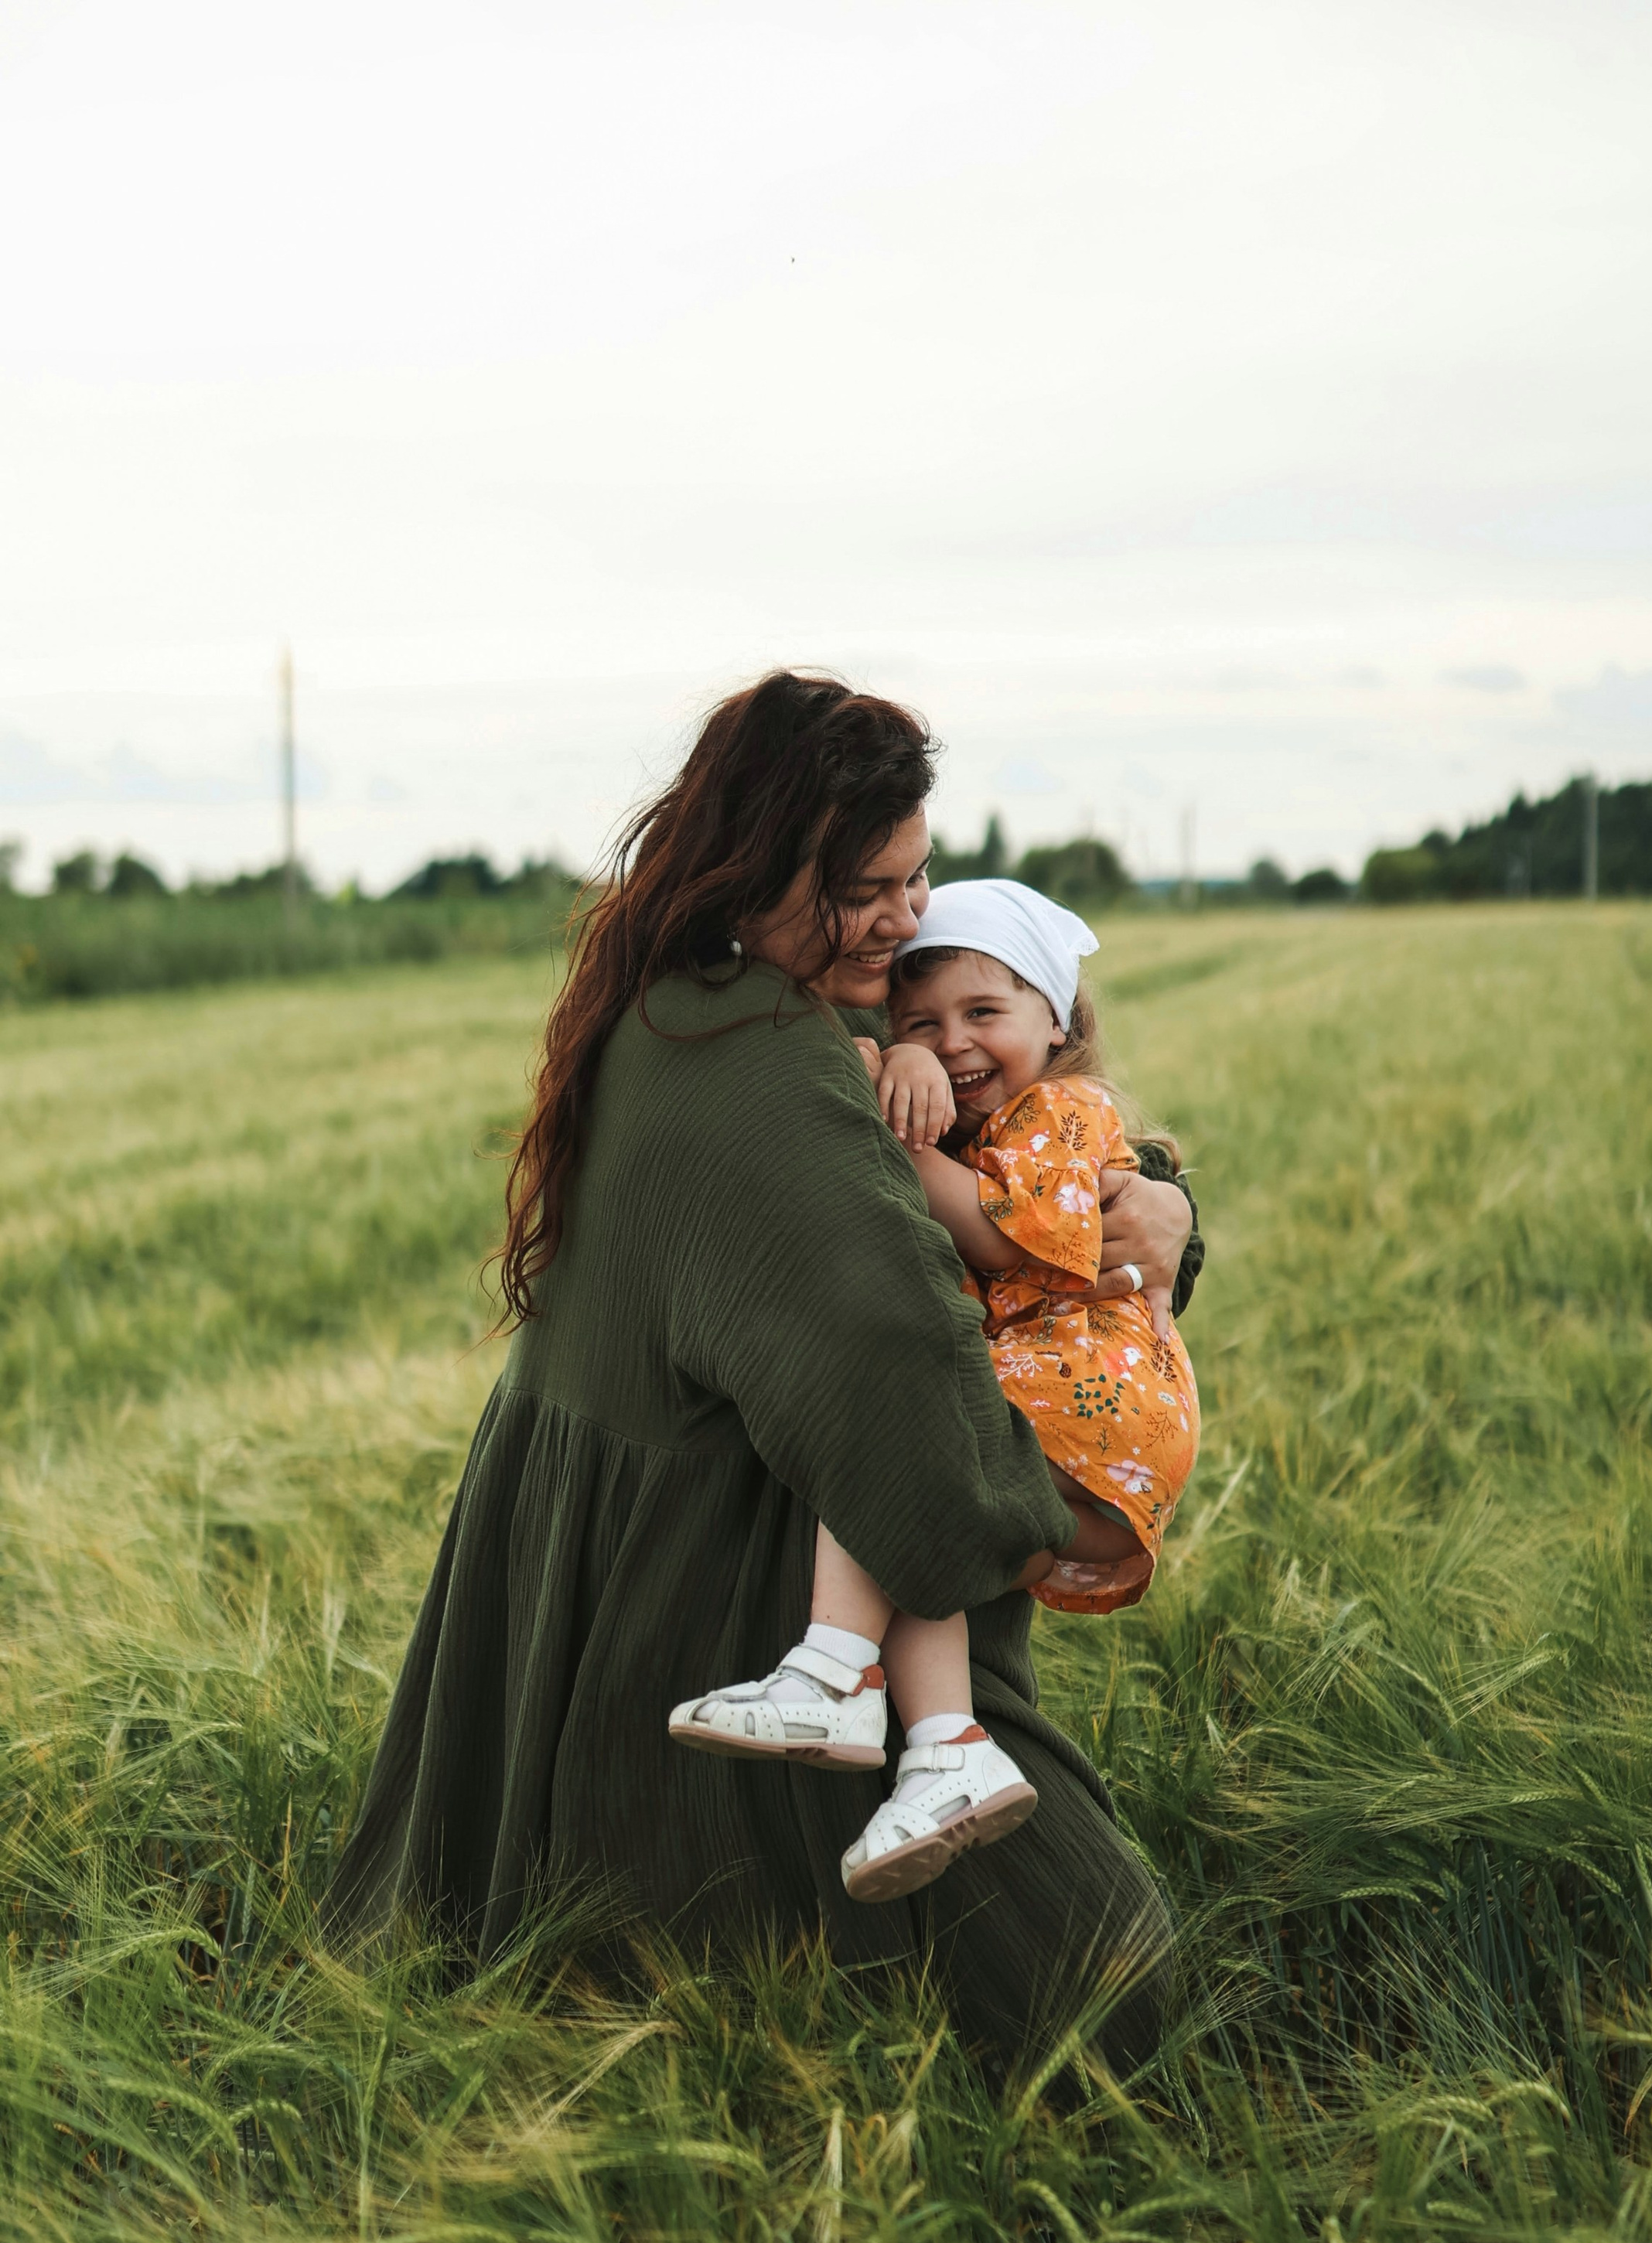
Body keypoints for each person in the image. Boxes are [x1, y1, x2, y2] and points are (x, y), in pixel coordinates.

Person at [328, 672, 1200, 2063]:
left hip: (616, 1571)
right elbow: (905, 1396)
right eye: (870, 886)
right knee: (1109, 1991)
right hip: (700, 1616)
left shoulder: (689, 1009)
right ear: (764, 861)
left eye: (918, 880)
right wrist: (1079, 1509)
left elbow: (975, 1220)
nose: (910, 920)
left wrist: (1156, 1205)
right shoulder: (776, 1078)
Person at [669, 879, 1199, 1910]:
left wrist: (900, 1133)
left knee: (886, 1428)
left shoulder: (1064, 1111)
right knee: (923, 1525)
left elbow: (1004, 1234)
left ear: (1056, 1020)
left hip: (1098, 1408)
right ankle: (948, 1749)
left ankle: (831, 1670)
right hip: (1087, 1425)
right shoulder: (992, 1112)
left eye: (983, 1014)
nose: (953, 1041)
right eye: (923, 1020)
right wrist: (896, 1065)